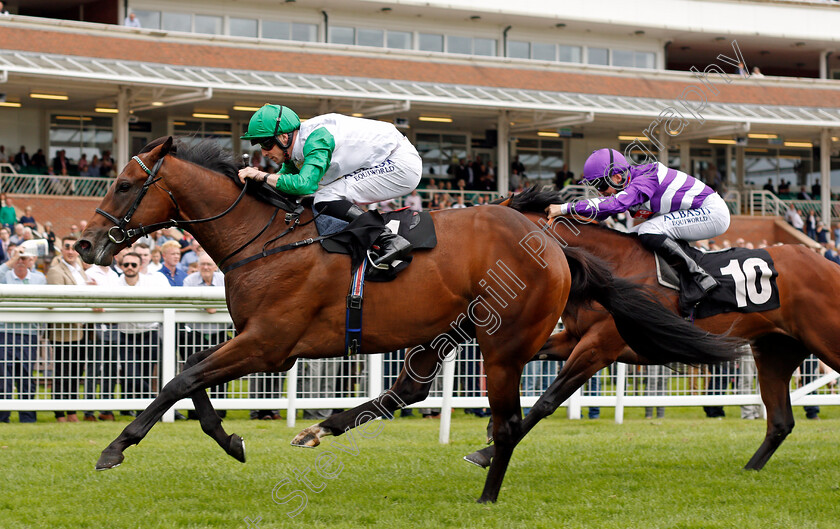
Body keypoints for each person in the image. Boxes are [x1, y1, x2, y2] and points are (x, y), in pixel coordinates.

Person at [238, 104, 421, 268]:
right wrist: (258, 182)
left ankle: (388, 238)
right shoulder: (296, 148)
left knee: (326, 197)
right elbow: (283, 182)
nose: (263, 152)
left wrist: (262, 175)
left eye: (266, 144)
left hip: (399, 164)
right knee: (322, 196)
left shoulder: (316, 140)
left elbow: (303, 186)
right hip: (384, 159)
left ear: (284, 137)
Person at [547, 148, 731, 305]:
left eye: (601, 185)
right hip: (695, 213)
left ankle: (699, 277)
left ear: (617, 177)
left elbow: (614, 205)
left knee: (647, 230)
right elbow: (601, 212)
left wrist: (564, 208)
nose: (599, 192)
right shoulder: (628, 182)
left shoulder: (646, 178)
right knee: (628, 239)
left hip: (712, 212)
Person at [46, 235, 91, 422]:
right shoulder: (56, 271)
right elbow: (57, 302)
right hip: (64, 331)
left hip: (80, 330)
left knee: (75, 371)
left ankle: (71, 410)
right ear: (61, 250)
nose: (71, 251)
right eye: (67, 248)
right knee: (63, 372)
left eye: (74, 248)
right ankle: (60, 413)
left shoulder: (80, 271)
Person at [0, 245, 46, 423]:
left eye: (24, 258)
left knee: (26, 375)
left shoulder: (38, 278)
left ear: (30, 260)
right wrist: (12, 260)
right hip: (5, 332)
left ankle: (27, 416)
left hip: (29, 333)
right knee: (4, 375)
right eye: (17, 257)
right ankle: (3, 416)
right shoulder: (5, 275)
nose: (20, 261)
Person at [182, 252, 228, 419]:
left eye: (209, 264)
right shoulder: (189, 280)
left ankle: (220, 409)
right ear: (198, 266)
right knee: (194, 373)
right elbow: (188, 302)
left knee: (223, 371)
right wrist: (207, 307)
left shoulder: (224, 279)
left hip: (220, 331)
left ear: (215, 266)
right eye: (203, 265)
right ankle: (194, 412)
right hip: (196, 333)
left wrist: (208, 306)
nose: (206, 268)